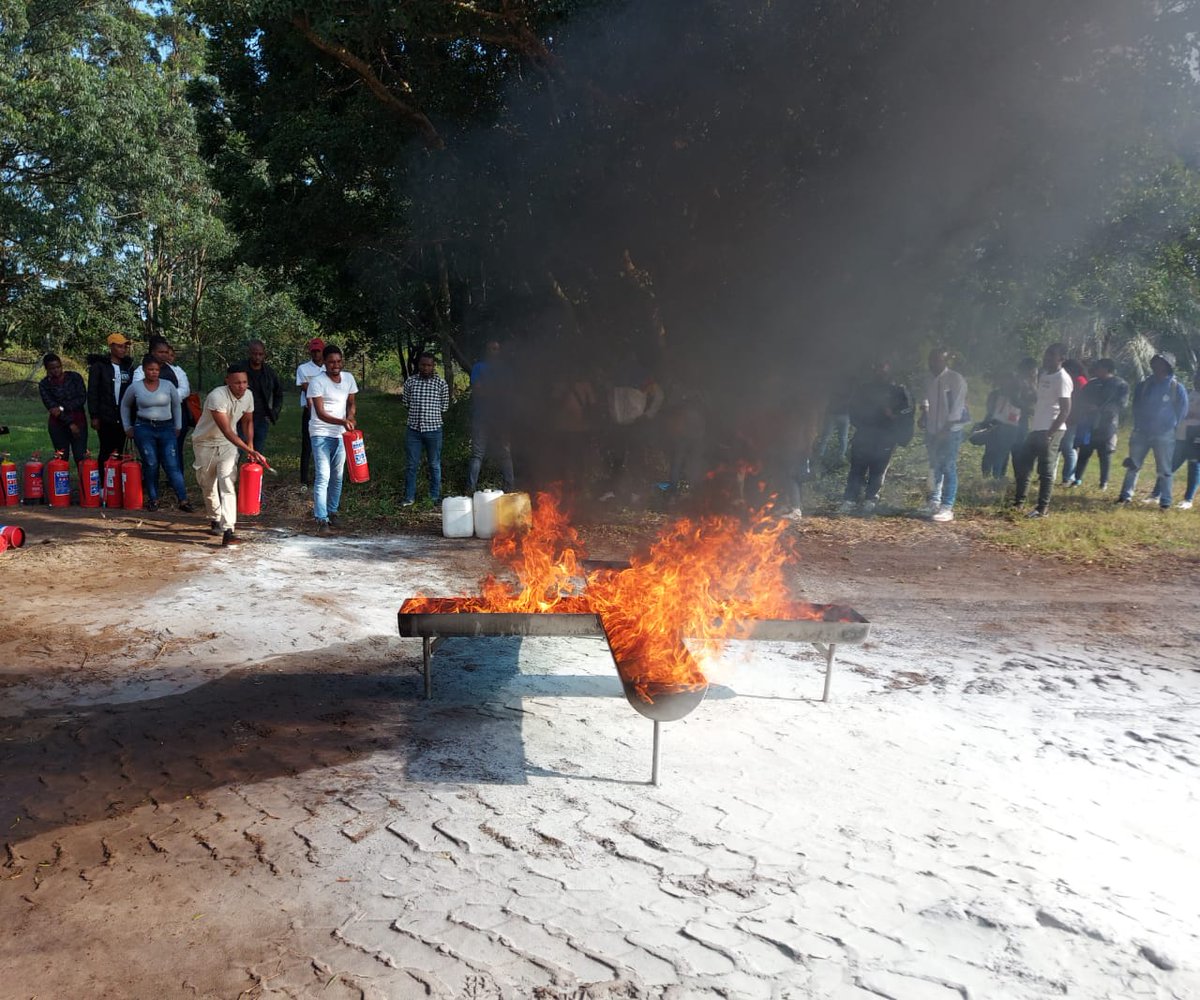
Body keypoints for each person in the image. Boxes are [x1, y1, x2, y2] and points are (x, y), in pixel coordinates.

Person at [192, 365, 265, 546]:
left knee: (227, 482)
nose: (241, 386)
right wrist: (249, 451)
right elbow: (226, 430)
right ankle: (215, 518)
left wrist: (250, 444)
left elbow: (248, 421)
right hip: (205, 443)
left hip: (228, 445)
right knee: (207, 484)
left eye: (244, 382)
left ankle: (229, 530)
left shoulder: (248, 395)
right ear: (227, 382)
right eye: (237, 383)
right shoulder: (217, 396)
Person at [1117, 352, 1189, 508]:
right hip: (1141, 432)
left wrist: (1172, 429)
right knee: (1133, 466)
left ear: (1168, 367)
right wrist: (1137, 426)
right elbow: (1136, 406)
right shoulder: (1144, 385)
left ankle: (1165, 501)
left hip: (1164, 434)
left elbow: (1182, 411)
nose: (1156, 365)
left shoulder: (1176, 387)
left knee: (1164, 469)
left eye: (1161, 363)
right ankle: (1125, 497)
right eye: (1155, 362)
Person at [839, 361, 913, 514]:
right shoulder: (864, 389)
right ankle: (850, 499)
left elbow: (908, 412)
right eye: (877, 369)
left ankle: (870, 499)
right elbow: (853, 408)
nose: (880, 372)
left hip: (886, 436)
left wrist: (894, 416)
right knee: (857, 468)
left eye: (883, 369)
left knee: (878, 469)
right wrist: (860, 423)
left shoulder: (898, 391)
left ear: (890, 371)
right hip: (864, 433)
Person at [120, 358, 192, 512]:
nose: (154, 372)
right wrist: (127, 426)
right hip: (144, 427)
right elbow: (125, 405)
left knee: (172, 463)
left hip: (166, 427)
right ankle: (153, 499)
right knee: (151, 463)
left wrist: (178, 425)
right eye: (150, 369)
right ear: (144, 370)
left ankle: (183, 499)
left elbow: (176, 405)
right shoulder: (135, 387)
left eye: (157, 370)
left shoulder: (168, 385)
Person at [1011, 343, 1073, 518]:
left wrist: (1050, 433)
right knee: (1024, 464)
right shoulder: (1044, 374)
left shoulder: (1063, 379)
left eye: (1051, 355)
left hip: (1052, 429)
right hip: (1037, 427)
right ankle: (1018, 503)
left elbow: (1066, 410)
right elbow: (1039, 399)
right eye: (1046, 354)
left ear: (1061, 358)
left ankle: (1042, 509)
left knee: (1045, 471)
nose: (1046, 357)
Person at [306, 344, 358, 530]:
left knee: (338, 475)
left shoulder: (349, 379)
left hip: (341, 435)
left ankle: (333, 512)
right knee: (323, 475)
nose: (335, 365)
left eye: (338, 361)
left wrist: (350, 417)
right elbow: (319, 413)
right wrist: (343, 422)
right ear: (324, 364)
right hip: (320, 433)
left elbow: (351, 403)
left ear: (341, 361)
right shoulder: (317, 382)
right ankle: (321, 518)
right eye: (331, 362)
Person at [920, 348, 969, 522]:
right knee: (935, 466)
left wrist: (944, 431)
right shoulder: (928, 379)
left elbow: (957, 409)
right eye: (931, 360)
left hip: (951, 432)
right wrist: (923, 414)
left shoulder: (955, 379)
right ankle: (934, 500)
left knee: (948, 466)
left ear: (945, 361)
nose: (933, 364)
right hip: (932, 430)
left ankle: (947, 506)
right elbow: (925, 399)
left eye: (937, 360)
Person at [465, 339, 515, 493]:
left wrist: (488, 388)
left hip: (501, 419)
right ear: (486, 351)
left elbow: (508, 393)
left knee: (505, 453)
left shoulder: (506, 370)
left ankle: (510, 487)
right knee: (477, 454)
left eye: (497, 348)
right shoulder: (479, 367)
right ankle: (470, 489)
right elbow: (478, 391)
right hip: (482, 417)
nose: (494, 351)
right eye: (492, 348)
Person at [1071, 359, 1129, 489]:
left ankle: (1104, 483)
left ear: (1106, 368)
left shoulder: (1120, 384)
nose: (1095, 370)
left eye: (1098, 367)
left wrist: (1100, 409)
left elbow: (1121, 404)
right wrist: (1086, 407)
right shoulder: (1092, 384)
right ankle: (1077, 479)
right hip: (1089, 423)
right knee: (1084, 452)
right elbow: (1080, 399)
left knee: (1105, 453)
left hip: (1108, 424)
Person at [401, 352, 449, 507]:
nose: (426, 368)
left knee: (434, 464)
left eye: (429, 365)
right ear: (418, 365)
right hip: (413, 430)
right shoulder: (410, 382)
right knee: (411, 465)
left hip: (434, 430)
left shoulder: (441, 384)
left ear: (433, 366)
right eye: (423, 365)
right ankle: (409, 498)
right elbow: (406, 403)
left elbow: (444, 406)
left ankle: (434, 498)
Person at [86, 333, 134, 461]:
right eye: (119, 346)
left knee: (120, 449)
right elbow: (92, 392)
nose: (123, 350)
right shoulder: (99, 366)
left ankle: (118, 478)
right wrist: (94, 415)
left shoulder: (128, 367)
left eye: (125, 347)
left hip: (123, 415)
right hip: (105, 414)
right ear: (111, 347)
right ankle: (105, 477)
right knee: (106, 449)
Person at [979, 368, 1027, 481]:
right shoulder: (995, 394)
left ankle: (997, 478)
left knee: (1001, 454)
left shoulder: (1017, 397)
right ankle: (986, 476)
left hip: (1009, 429)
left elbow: (1020, 413)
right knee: (989, 453)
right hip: (994, 425)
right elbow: (989, 409)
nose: (1004, 383)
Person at [38, 354, 88, 462]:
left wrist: (61, 407)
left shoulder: (74, 377)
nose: (56, 370)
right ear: (47, 369)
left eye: (58, 367)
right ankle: (61, 478)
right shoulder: (44, 384)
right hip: (58, 425)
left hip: (79, 421)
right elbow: (52, 407)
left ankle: (83, 479)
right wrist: (70, 423)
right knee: (61, 457)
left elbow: (82, 398)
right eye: (52, 368)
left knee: (81, 456)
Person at [295, 338, 325, 488]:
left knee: (326, 444)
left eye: (318, 351)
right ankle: (304, 480)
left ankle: (323, 477)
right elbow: (306, 387)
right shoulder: (303, 368)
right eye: (313, 351)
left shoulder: (329, 367)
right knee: (307, 446)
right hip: (310, 410)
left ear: (323, 351)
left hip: (328, 410)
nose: (315, 354)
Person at [243, 339, 284, 452]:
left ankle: (254, 470)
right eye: (254, 354)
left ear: (264, 355)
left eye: (260, 354)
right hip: (241, 417)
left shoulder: (270, 373)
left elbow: (278, 394)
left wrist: (274, 412)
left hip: (261, 418)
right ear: (249, 353)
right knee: (236, 452)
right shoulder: (240, 369)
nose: (257, 357)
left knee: (257, 452)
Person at [1168, 368, 1200, 510]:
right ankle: (1156, 494)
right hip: (1181, 434)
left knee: (1193, 465)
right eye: (1196, 377)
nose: (1196, 380)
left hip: (1196, 434)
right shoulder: (1190, 393)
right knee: (1170, 465)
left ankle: (1188, 499)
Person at [1057, 359, 1088, 486]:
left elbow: (1078, 402)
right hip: (1066, 417)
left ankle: (1068, 477)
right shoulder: (1073, 380)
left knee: (1068, 448)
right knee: (1061, 446)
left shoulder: (1080, 381)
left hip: (1073, 419)